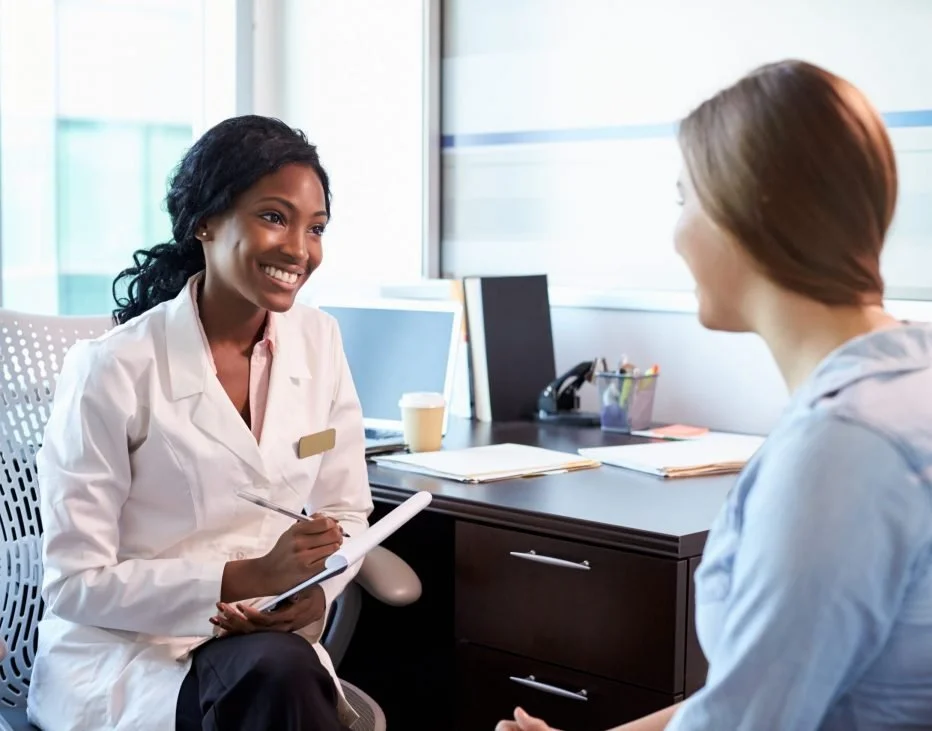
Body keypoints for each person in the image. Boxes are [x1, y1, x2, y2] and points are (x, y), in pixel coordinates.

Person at [498, 60, 932, 730]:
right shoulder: (903, 382)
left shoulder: (842, 449)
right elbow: (744, 698)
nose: (676, 235)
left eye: (684, 199)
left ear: (749, 209)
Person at [28, 115, 373, 731]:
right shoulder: (113, 368)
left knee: (277, 673)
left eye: (315, 227)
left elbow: (346, 513)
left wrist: (311, 593)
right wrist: (243, 578)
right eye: (274, 217)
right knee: (279, 680)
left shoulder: (320, 341)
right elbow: (74, 584)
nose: (299, 248)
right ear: (205, 222)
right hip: (135, 653)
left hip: (268, 643)